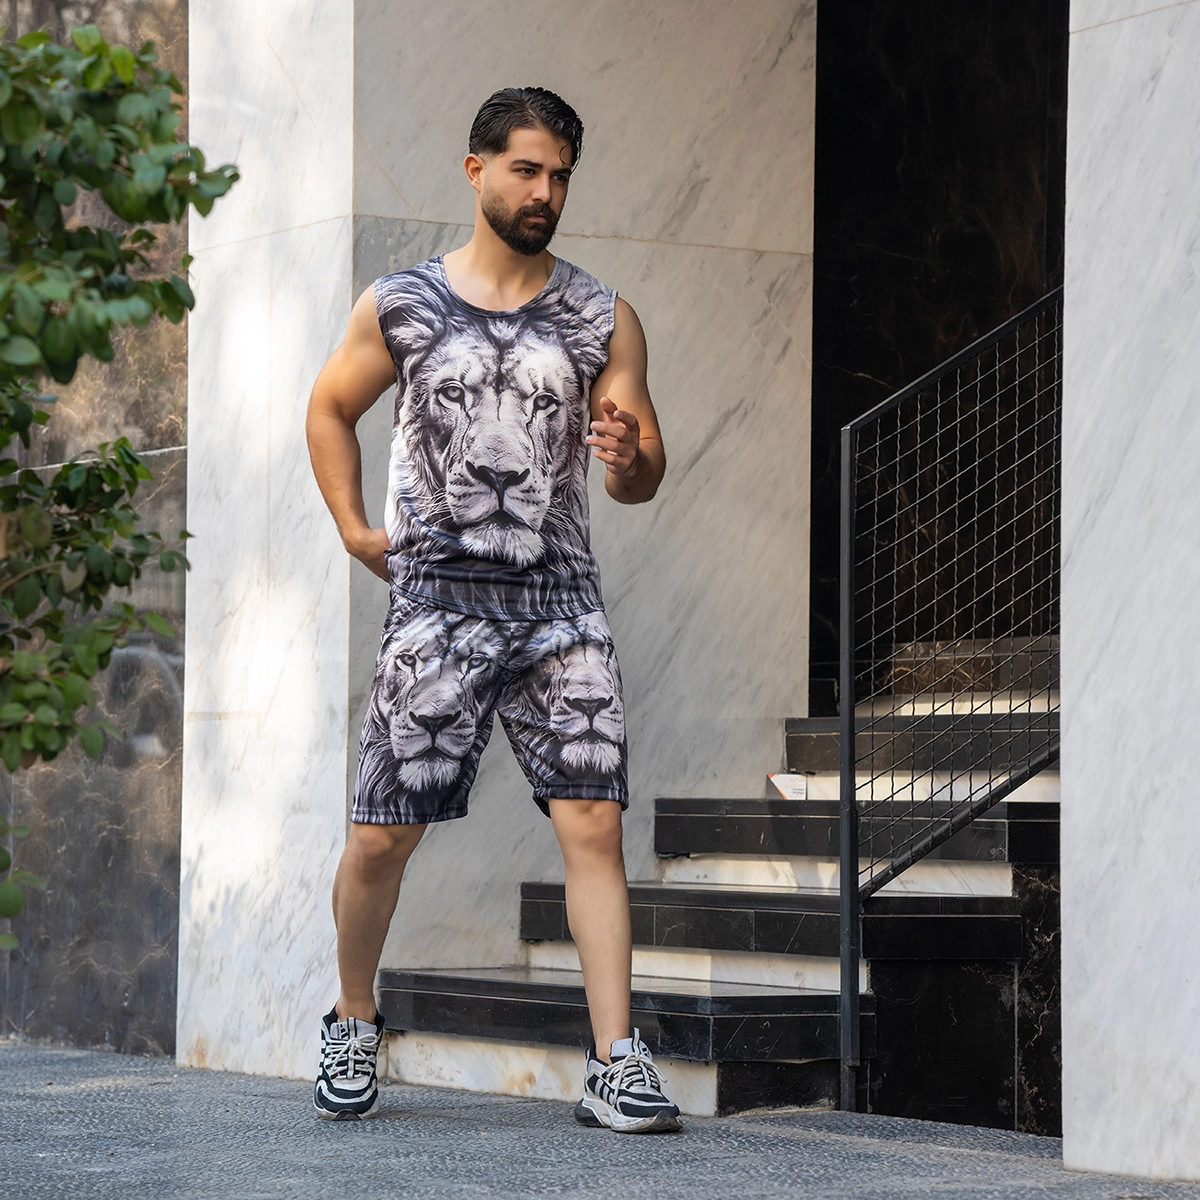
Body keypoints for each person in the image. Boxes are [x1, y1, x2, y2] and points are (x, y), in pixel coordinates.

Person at [304, 86, 678, 1133]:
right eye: (526, 170)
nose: (544, 191)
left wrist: (629, 457)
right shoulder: (403, 305)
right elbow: (329, 407)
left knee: (594, 824)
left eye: (559, 175)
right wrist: (352, 527)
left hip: (561, 606)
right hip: (436, 602)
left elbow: (641, 469)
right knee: (382, 838)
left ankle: (616, 1059)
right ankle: (352, 1017)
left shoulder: (603, 316)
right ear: (477, 171)